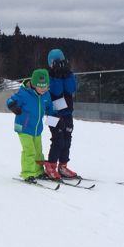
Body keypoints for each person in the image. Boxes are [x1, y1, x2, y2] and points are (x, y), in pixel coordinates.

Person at [6, 68, 55, 182]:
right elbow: (10, 100)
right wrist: (13, 106)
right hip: (23, 128)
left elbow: (50, 109)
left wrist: (55, 122)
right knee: (29, 151)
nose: (43, 90)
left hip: (37, 129)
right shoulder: (24, 93)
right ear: (33, 84)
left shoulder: (46, 95)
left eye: (46, 87)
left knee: (38, 152)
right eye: (40, 87)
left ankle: (38, 171)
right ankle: (28, 173)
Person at [45, 48, 78, 179]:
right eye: (56, 62)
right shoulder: (48, 76)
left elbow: (72, 89)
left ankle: (63, 166)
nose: (59, 64)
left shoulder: (68, 74)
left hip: (67, 112)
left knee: (67, 139)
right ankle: (51, 166)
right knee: (58, 139)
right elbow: (57, 92)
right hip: (52, 114)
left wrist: (67, 73)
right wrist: (57, 75)